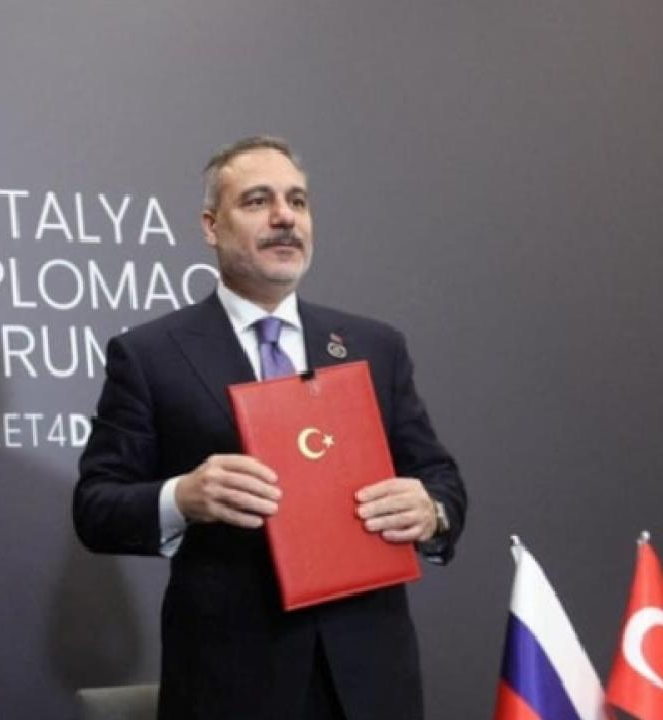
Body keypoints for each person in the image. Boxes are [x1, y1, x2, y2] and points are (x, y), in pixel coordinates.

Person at [72, 136, 466, 720]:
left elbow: (439, 478)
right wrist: (184, 496)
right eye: (257, 201)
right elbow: (96, 507)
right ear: (211, 226)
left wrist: (430, 511)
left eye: (297, 201)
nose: (285, 217)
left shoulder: (374, 346)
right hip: (233, 684)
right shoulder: (151, 355)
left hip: (370, 681)